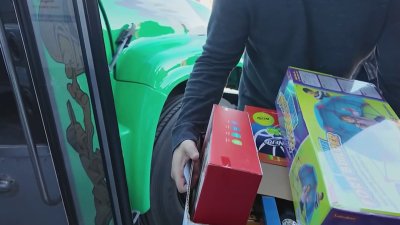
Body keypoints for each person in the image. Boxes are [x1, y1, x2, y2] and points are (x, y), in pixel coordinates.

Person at [171, 0, 400, 193]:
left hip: (333, 138)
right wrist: (187, 128)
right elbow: (216, 60)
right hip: (261, 127)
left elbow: (394, 83)